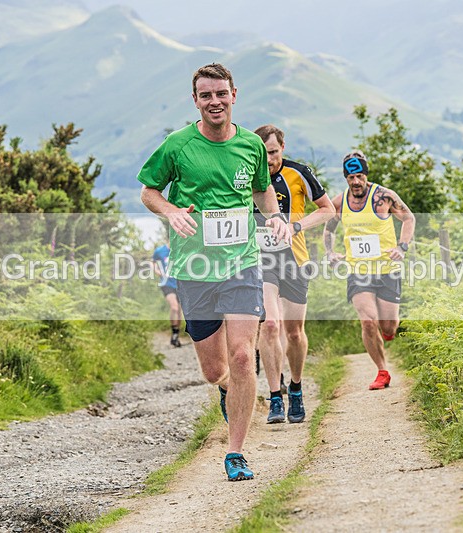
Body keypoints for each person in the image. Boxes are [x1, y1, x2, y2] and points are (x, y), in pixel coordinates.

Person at [138, 63, 291, 482]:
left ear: (234, 94)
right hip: (195, 269)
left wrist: (274, 218)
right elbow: (149, 190)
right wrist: (171, 211)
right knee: (215, 370)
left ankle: (236, 452)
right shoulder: (177, 145)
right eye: (206, 95)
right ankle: (228, 389)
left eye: (220, 93)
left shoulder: (250, 145)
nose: (214, 101)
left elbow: (261, 189)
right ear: (196, 101)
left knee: (244, 356)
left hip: (242, 263)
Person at [253, 124, 334, 424]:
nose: (269, 159)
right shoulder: (245, 177)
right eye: (264, 154)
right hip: (261, 261)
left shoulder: (298, 173)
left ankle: (296, 388)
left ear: (282, 148)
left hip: (295, 260)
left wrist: (296, 226)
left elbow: (327, 210)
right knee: (270, 325)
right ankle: (275, 396)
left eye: (273, 152)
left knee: (294, 332)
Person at [323, 150, 415, 390]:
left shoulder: (384, 197)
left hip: (387, 269)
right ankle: (382, 371)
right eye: (351, 177)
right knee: (367, 321)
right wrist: (330, 252)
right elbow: (328, 229)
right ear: (346, 178)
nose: (356, 182)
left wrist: (402, 247)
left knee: (388, 326)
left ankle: (387, 334)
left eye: (359, 176)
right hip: (358, 270)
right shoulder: (339, 202)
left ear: (366, 175)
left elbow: (409, 219)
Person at [152, 241, 182, 347]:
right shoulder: (160, 251)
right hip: (166, 284)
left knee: (179, 311)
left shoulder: (181, 249)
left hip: (180, 284)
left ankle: (175, 335)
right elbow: (154, 264)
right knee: (174, 307)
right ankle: (174, 334)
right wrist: (160, 273)